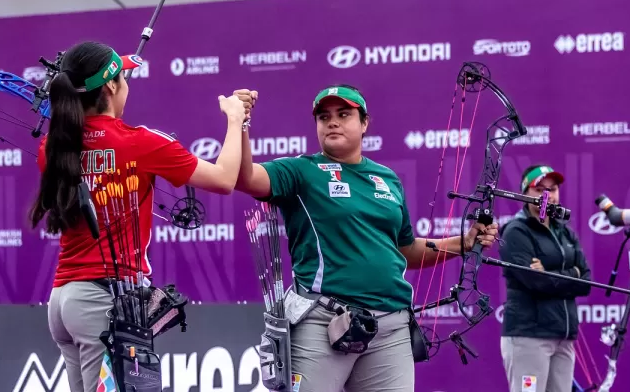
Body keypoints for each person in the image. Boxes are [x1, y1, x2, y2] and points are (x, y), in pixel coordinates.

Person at [233, 84, 499, 392]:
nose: (332, 122)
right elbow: (246, 178)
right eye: (324, 116)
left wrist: (463, 243)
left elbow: (405, 249)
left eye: (343, 114)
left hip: (389, 325)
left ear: (364, 123)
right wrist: (240, 124)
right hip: (322, 321)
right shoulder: (301, 171)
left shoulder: (386, 178)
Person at [28, 41, 248, 392]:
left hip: (65, 302)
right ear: (112, 85)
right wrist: (236, 119)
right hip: (102, 302)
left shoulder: (54, 146)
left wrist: (117, 67)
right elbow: (224, 179)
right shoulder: (140, 143)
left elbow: (91, 121)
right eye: (120, 78)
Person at [498, 164, 591, 392]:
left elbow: (586, 280)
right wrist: (573, 274)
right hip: (529, 335)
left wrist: (553, 274)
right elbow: (535, 282)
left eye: (554, 189)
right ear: (525, 194)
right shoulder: (516, 231)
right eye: (540, 190)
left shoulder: (565, 232)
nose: (548, 195)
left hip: (563, 335)